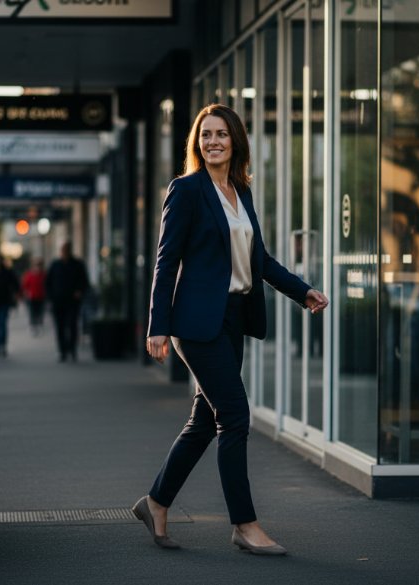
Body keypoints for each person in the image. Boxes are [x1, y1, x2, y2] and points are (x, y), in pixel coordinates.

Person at [133, 104, 329, 555]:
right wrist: (157, 325)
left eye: (221, 134)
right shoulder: (186, 190)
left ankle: (157, 502)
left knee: (204, 421)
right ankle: (244, 524)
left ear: (235, 140)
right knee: (235, 417)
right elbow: (166, 262)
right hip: (196, 324)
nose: (213, 141)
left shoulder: (240, 192)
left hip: (233, 319)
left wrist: (303, 291)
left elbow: (258, 260)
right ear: (197, 143)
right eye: (206, 135)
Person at [45, 241, 89, 362]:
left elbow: (84, 281)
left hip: (72, 301)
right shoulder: (55, 265)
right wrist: (50, 297)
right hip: (58, 301)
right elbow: (48, 283)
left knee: (72, 325)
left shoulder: (77, 264)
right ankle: (62, 351)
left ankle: (72, 349)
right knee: (60, 327)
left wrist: (79, 291)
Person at [21, 258, 47, 334]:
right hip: (32, 297)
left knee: (40, 312)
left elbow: (47, 284)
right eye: (36, 265)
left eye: (39, 265)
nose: (37, 267)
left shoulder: (44, 274)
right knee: (32, 312)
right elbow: (25, 285)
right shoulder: (29, 274)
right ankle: (33, 325)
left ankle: (40, 325)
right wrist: (25, 293)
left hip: (41, 296)